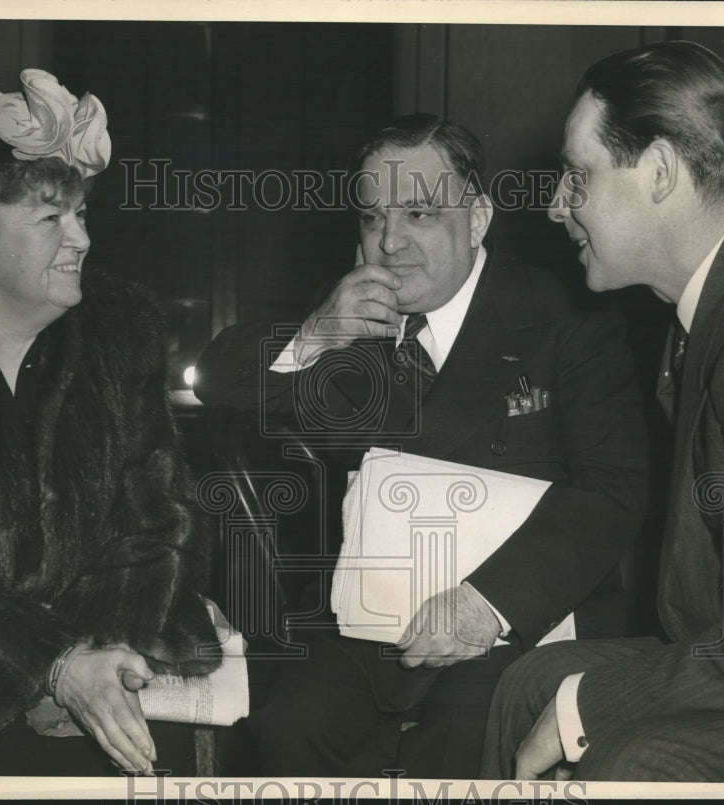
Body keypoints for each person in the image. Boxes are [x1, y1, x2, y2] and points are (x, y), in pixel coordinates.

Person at [193, 114, 649, 777]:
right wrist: (317, 334)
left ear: (477, 218)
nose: (390, 243)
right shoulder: (356, 319)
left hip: (515, 618)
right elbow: (215, 378)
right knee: (287, 731)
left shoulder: (567, 317)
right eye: (373, 218)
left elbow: (614, 490)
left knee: (461, 749)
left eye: (418, 214)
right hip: (374, 624)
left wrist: (485, 603)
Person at [480, 41, 724, 783]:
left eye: (578, 175)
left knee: (627, 758)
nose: (553, 204)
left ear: (660, 172)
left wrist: (586, 709)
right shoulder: (722, 293)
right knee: (530, 682)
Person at [0, 69, 220, 775]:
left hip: (122, 659)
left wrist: (102, 660)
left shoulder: (122, 333)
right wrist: (50, 664)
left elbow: (161, 523)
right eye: (51, 218)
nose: (82, 238)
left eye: (83, 213)